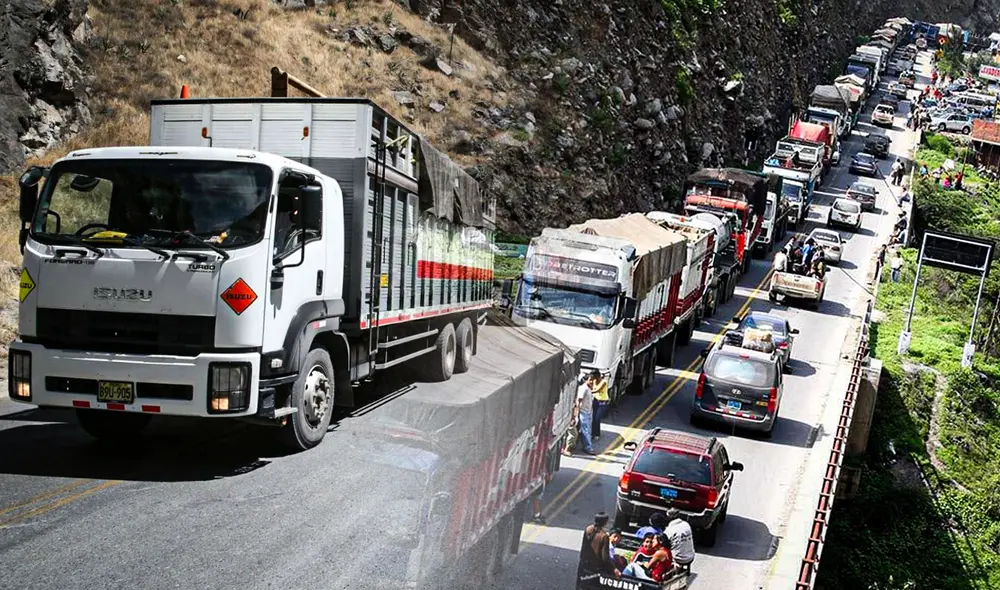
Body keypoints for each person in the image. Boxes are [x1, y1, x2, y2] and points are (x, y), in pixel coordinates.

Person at [579, 512, 620, 578]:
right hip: (596, 568)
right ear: (605, 523)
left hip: (584, 564)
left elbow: (584, 547)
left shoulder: (588, 529)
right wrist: (614, 569)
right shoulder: (604, 536)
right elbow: (605, 558)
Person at [564, 375, 596, 456]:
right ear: (585, 380)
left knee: (586, 430)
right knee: (585, 431)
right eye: (590, 380)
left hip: (587, 412)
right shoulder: (583, 388)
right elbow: (579, 401)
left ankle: (581, 445)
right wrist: (576, 414)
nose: (592, 382)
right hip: (583, 412)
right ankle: (588, 447)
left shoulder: (588, 388)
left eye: (593, 380)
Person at [588, 370, 610, 440]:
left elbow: (597, 390)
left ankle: (597, 434)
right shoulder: (595, 381)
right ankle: (593, 433)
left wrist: (588, 391)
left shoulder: (604, 382)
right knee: (593, 418)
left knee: (597, 418)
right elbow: (590, 385)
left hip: (602, 402)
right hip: (595, 400)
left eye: (593, 377)